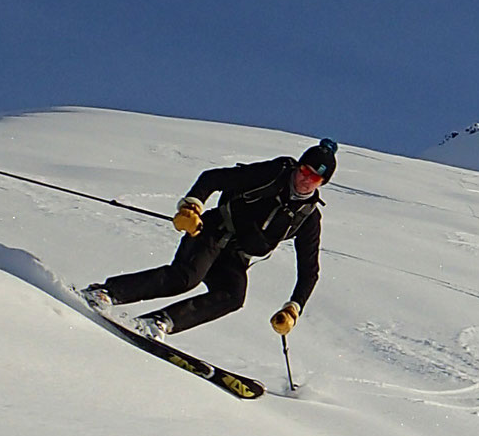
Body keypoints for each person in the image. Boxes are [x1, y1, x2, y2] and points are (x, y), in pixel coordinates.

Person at [87, 139, 337, 339]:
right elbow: (212, 178)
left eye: (315, 177)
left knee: (233, 296)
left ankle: (159, 322)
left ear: (321, 183)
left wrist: (294, 307)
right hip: (214, 231)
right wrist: (192, 206)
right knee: (185, 277)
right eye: (305, 170)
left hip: (236, 256)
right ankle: (105, 292)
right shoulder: (272, 173)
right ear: (298, 167)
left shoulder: (309, 217)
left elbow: (309, 270)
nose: (306, 179)